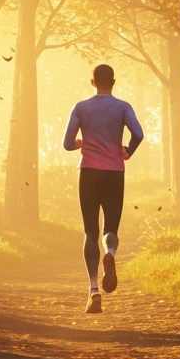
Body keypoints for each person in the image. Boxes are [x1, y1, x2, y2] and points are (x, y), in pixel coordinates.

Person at [63, 64, 144, 313]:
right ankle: (110, 251)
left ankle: (94, 290)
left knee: (90, 231)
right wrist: (127, 150)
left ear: (92, 82)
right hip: (114, 173)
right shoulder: (123, 107)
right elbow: (138, 134)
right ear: (114, 81)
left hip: (88, 172)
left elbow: (67, 143)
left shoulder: (80, 107)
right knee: (110, 228)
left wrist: (80, 144)